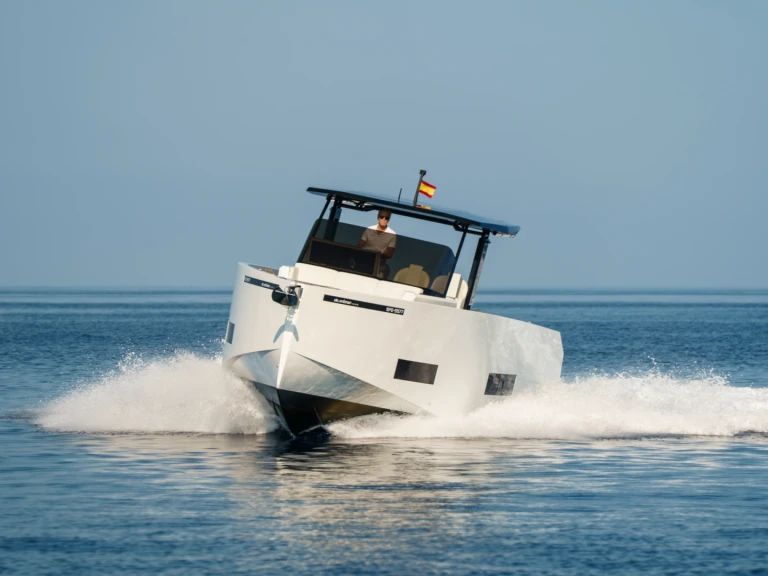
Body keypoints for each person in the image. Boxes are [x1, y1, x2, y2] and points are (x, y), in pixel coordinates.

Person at [358, 209, 396, 279]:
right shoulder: (369, 229)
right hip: (363, 262)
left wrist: (376, 256)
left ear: (389, 220)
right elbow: (359, 246)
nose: (384, 219)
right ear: (378, 218)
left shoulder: (392, 234)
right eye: (382, 217)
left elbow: (389, 254)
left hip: (379, 267)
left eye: (386, 218)